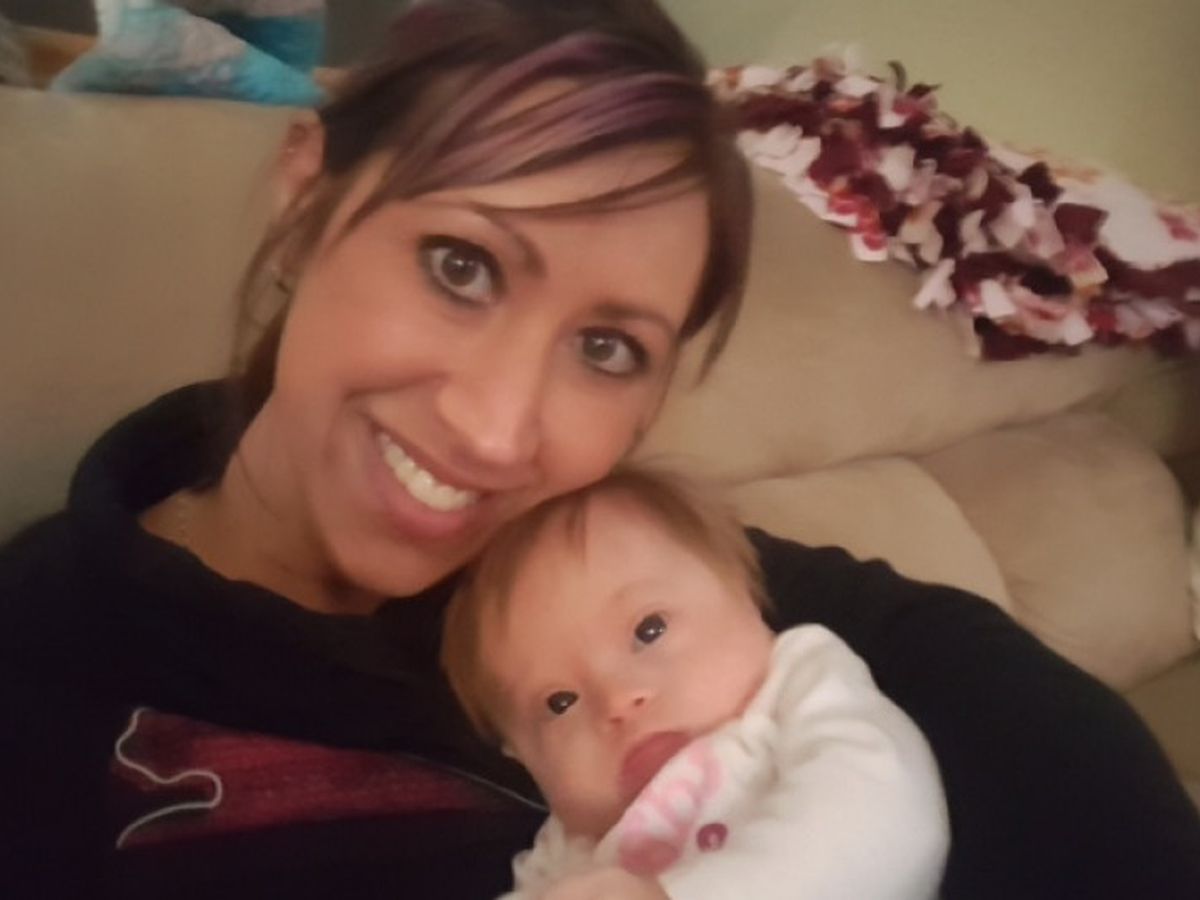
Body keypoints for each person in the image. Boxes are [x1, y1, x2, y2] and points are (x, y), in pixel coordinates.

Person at [1, 1, 1197, 898]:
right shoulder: (45, 662)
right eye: (461, 266)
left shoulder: (591, 566)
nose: (495, 431)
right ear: (308, 200)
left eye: (608, 348)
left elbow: (971, 676)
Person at [442, 467, 949, 899]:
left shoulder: (798, 687)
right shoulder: (569, 854)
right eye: (560, 702)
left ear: (748, 601)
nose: (616, 700)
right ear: (523, 759)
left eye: (648, 631)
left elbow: (885, 815)